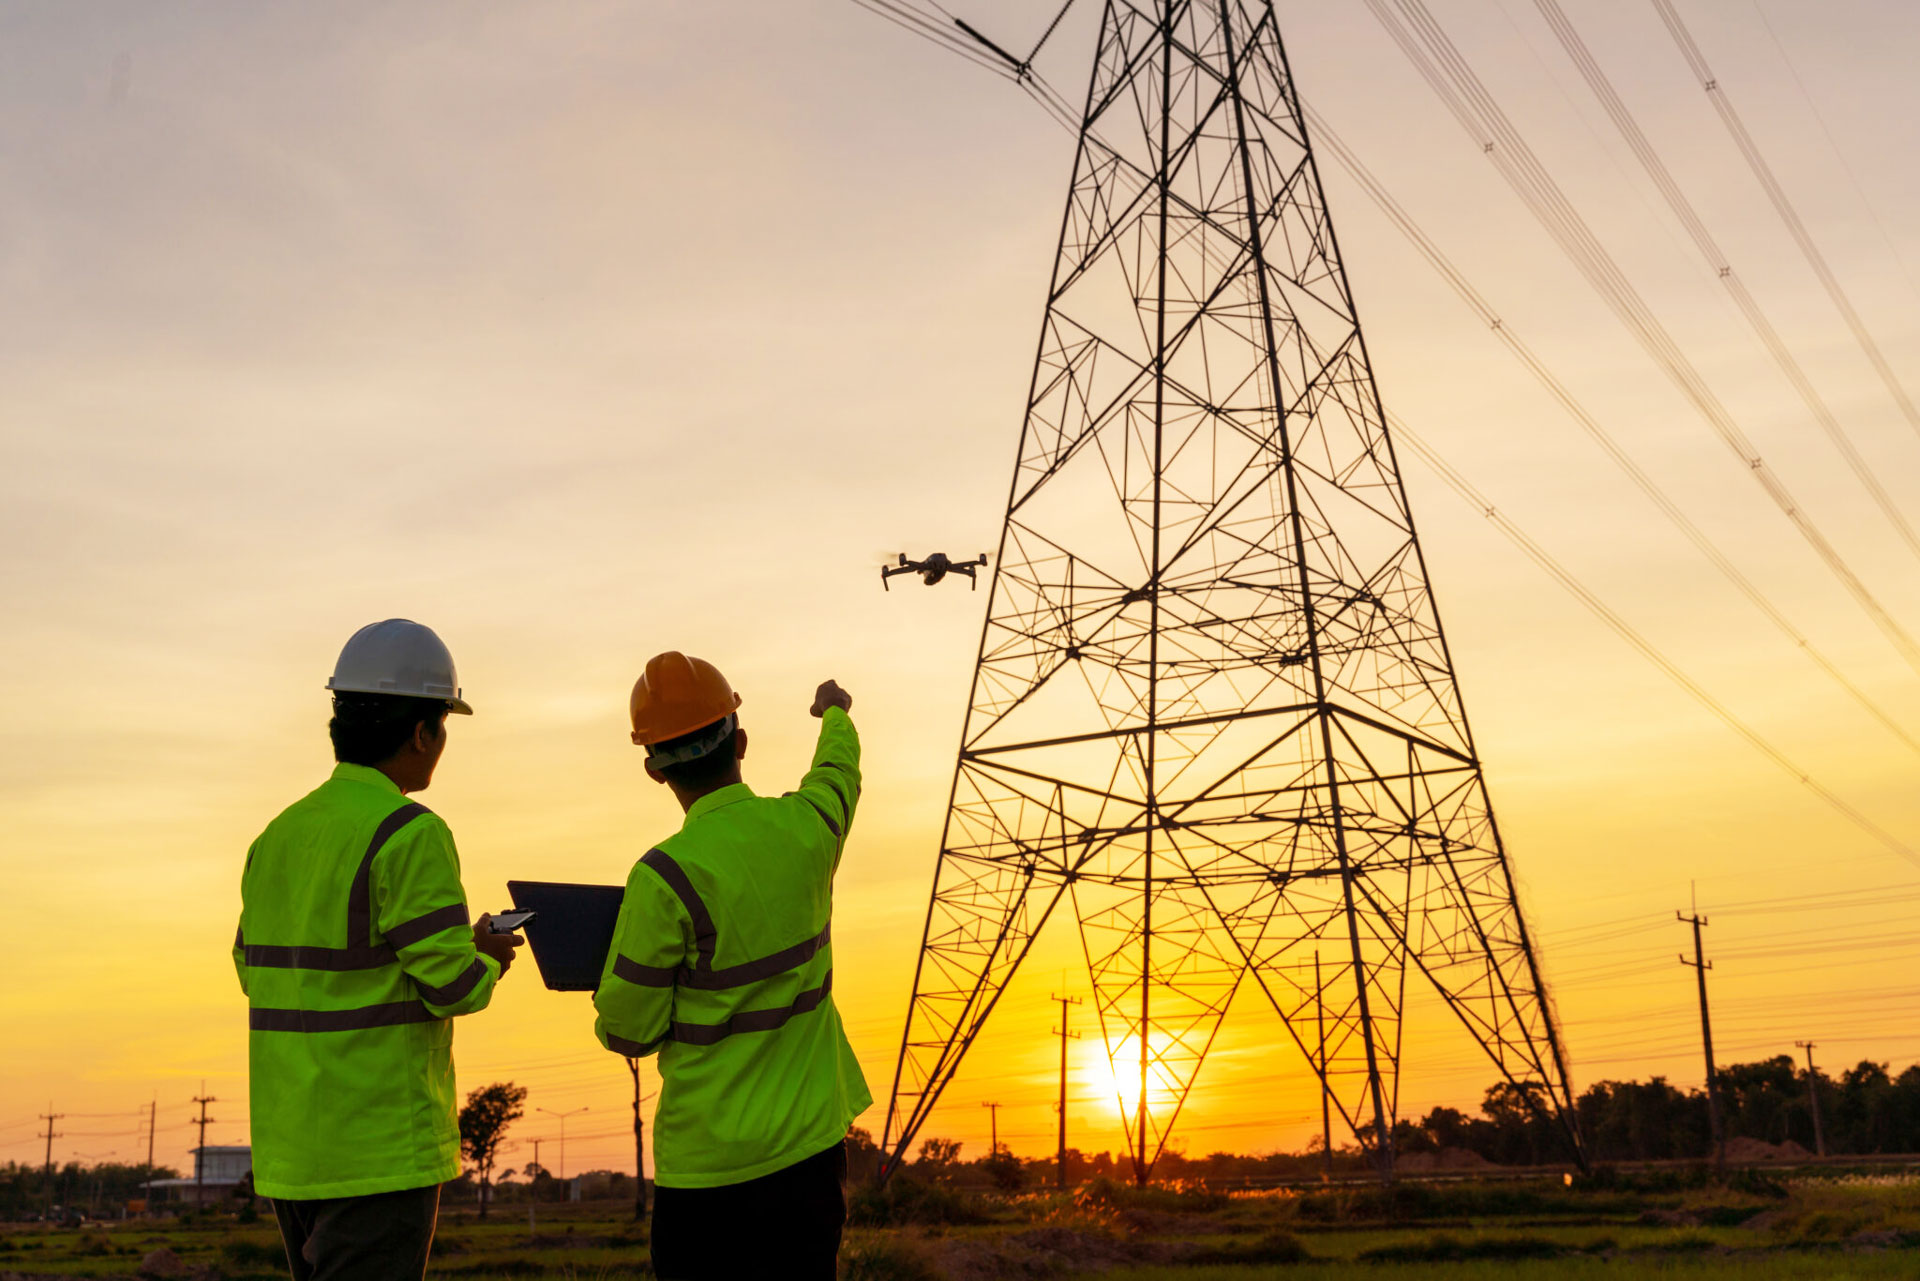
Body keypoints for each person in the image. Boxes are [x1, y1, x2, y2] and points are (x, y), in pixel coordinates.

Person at [233, 619, 523, 1281]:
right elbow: (453, 985)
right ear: (423, 732)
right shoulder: (408, 833)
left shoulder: (278, 835)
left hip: (292, 1150)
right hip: (379, 1150)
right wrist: (485, 953)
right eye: (443, 728)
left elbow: (255, 970)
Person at [594, 652, 870, 1281]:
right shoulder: (809, 829)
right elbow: (838, 772)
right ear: (740, 740)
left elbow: (629, 1031)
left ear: (653, 769)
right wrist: (835, 712)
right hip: (808, 1160)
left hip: (706, 1173)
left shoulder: (662, 878)